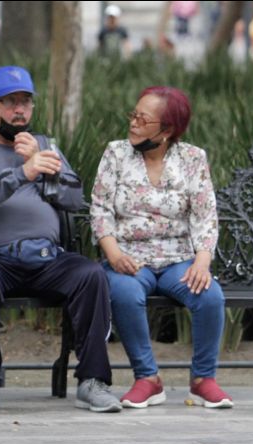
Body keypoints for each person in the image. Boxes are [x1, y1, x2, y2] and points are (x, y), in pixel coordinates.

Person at [0, 66, 122, 414]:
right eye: (10, 102)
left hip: (46, 256)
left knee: (91, 275)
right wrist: (22, 172)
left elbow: (73, 199)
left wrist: (44, 169)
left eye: (25, 102)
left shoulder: (45, 147)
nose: (19, 110)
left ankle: (92, 381)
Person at [90, 86, 233, 409]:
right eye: (134, 115)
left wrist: (202, 261)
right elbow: (100, 209)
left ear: (167, 131)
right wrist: (113, 253)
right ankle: (148, 379)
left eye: (144, 119)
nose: (134, 124)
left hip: (177, 259)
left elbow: (205, 215)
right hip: (128, 257)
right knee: (125, 294)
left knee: (210, 295)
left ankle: (203, 380)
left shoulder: (193, 159)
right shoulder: (116, 153)